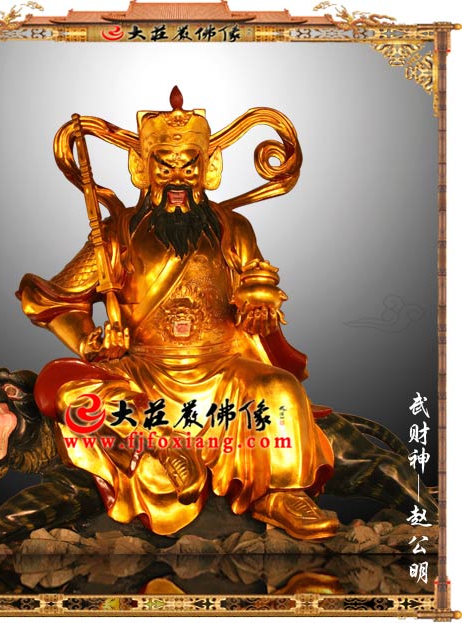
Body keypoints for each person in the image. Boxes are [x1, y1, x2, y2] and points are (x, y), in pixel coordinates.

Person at [17, 88, 338, 539]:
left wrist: (260, 306)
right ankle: (161, 446)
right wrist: (91, 339)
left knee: (279, 388)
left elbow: (256, 286)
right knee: (68, 389)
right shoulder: (115, 234)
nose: (177, 178)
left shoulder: (233, 229)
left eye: (189, 165)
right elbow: (55, 301)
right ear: (141, 167)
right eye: (164, 165)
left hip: (222, 370)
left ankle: (282, 493)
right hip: (142, 372)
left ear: (209, 168)